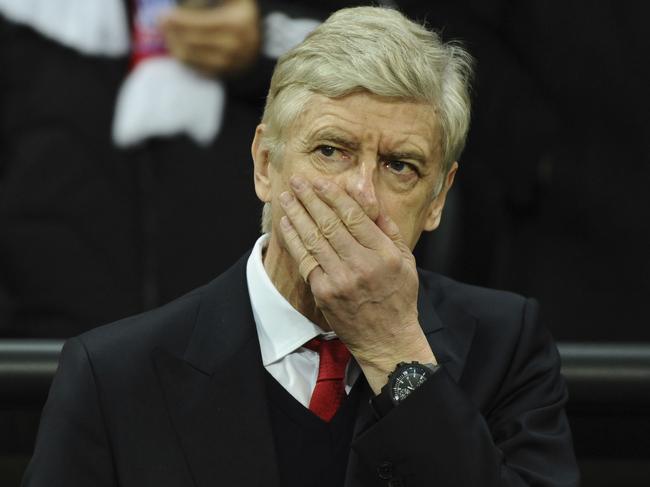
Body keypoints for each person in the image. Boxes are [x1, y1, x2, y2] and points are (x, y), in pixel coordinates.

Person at [22, 7, 579, 486]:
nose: (361, 195)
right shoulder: (114, 375)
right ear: (265, 163)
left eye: (399, 165)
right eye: (331, 150)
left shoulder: (506, 346)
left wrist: (395, 351)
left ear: (437, 199)